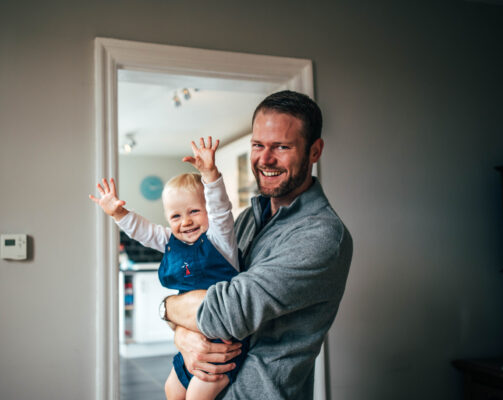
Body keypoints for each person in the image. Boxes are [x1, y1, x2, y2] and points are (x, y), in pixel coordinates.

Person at [160, 91, 353, 399]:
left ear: (314, 151)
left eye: (281, 147)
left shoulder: (321, 235)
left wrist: (167, 308)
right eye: (258, 145)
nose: (265, 159)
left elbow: (225, 312)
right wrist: (185, 336)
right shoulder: (250, 217)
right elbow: (210, 290)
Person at [89, 137, 248, 400]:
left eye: (194, 211)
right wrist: (119, 214)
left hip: (222, 345)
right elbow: (144, 231)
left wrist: (210, 175)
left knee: (198, 394)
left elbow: (221, 209)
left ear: (208, 210)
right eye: (175, 216)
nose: (185, 221)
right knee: (171, 389)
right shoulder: (169, 241)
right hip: (191, 339)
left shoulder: (220, 240)